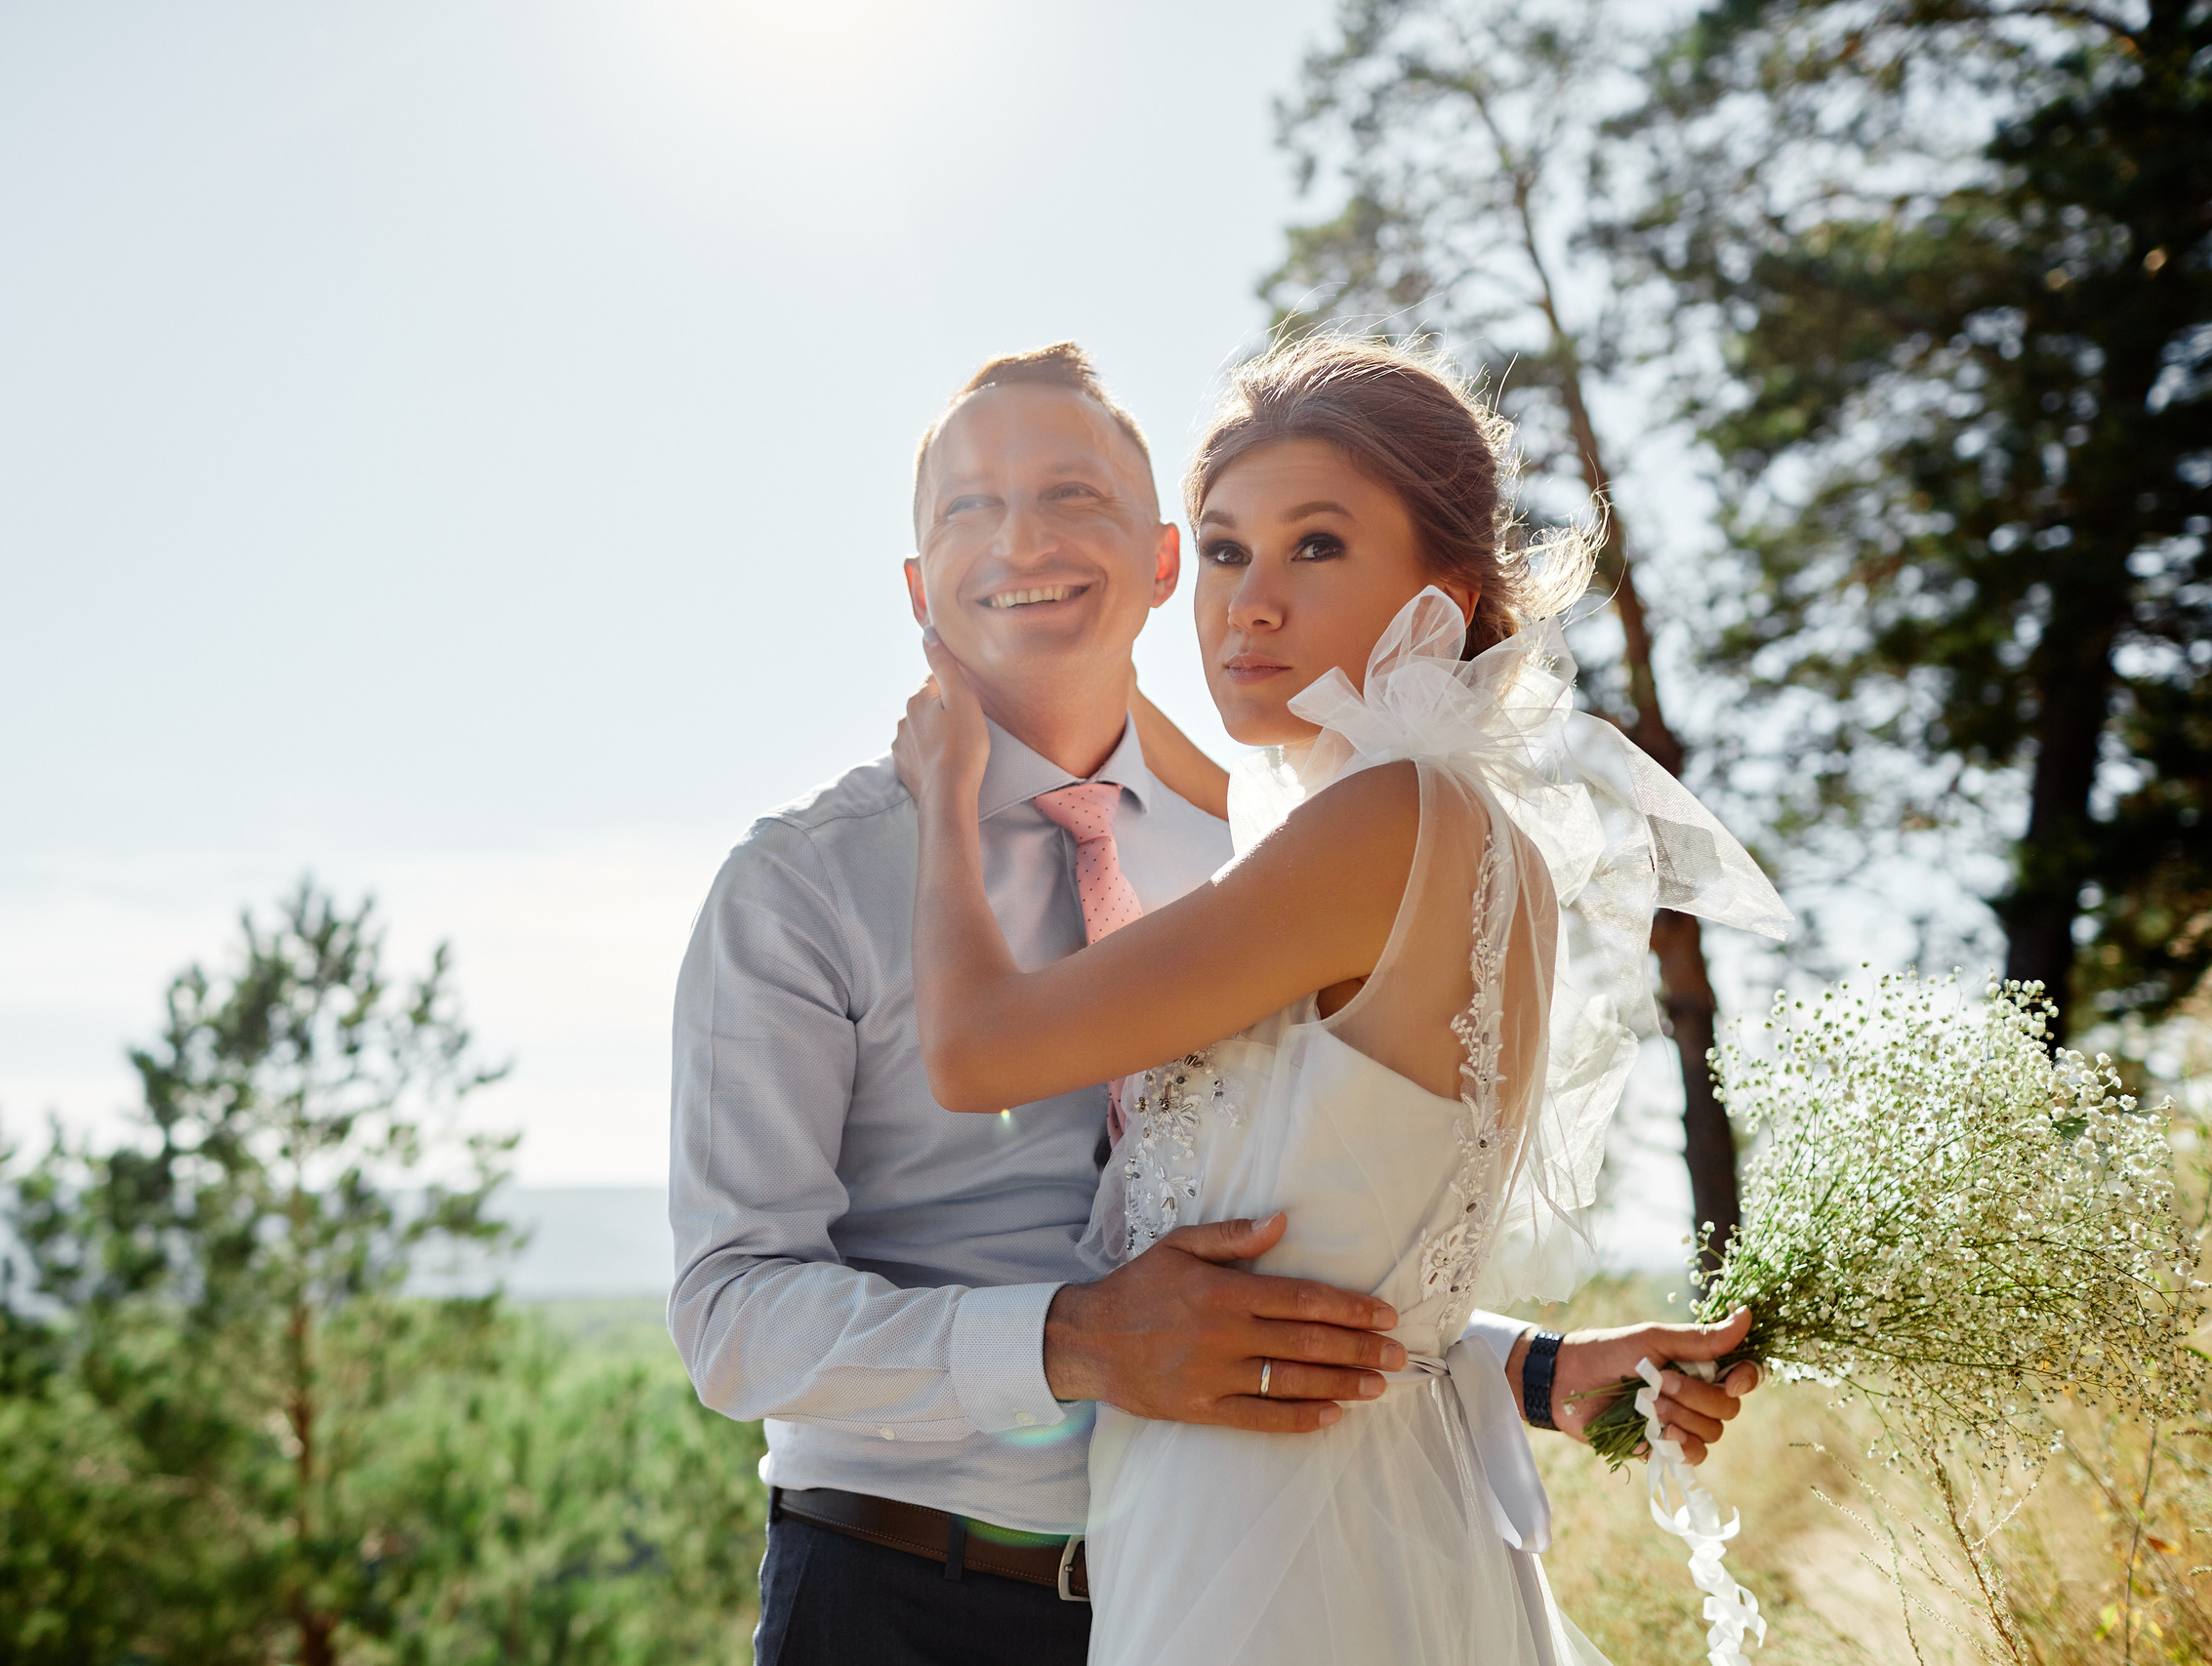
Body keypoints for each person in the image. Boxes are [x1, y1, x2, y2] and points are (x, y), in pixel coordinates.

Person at [669, 341, 1764, 1666]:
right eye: (969, 503)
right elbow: (730, 1321)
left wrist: (1502, 1364)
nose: (1020, 533)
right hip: (905, 1601)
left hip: (1224, 1573)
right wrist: (1074, 1343)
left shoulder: (1257, 857)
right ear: (917, 585)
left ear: (1155, 558)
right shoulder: (802, 885)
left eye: (1071, 494)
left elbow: (1275, 1239)